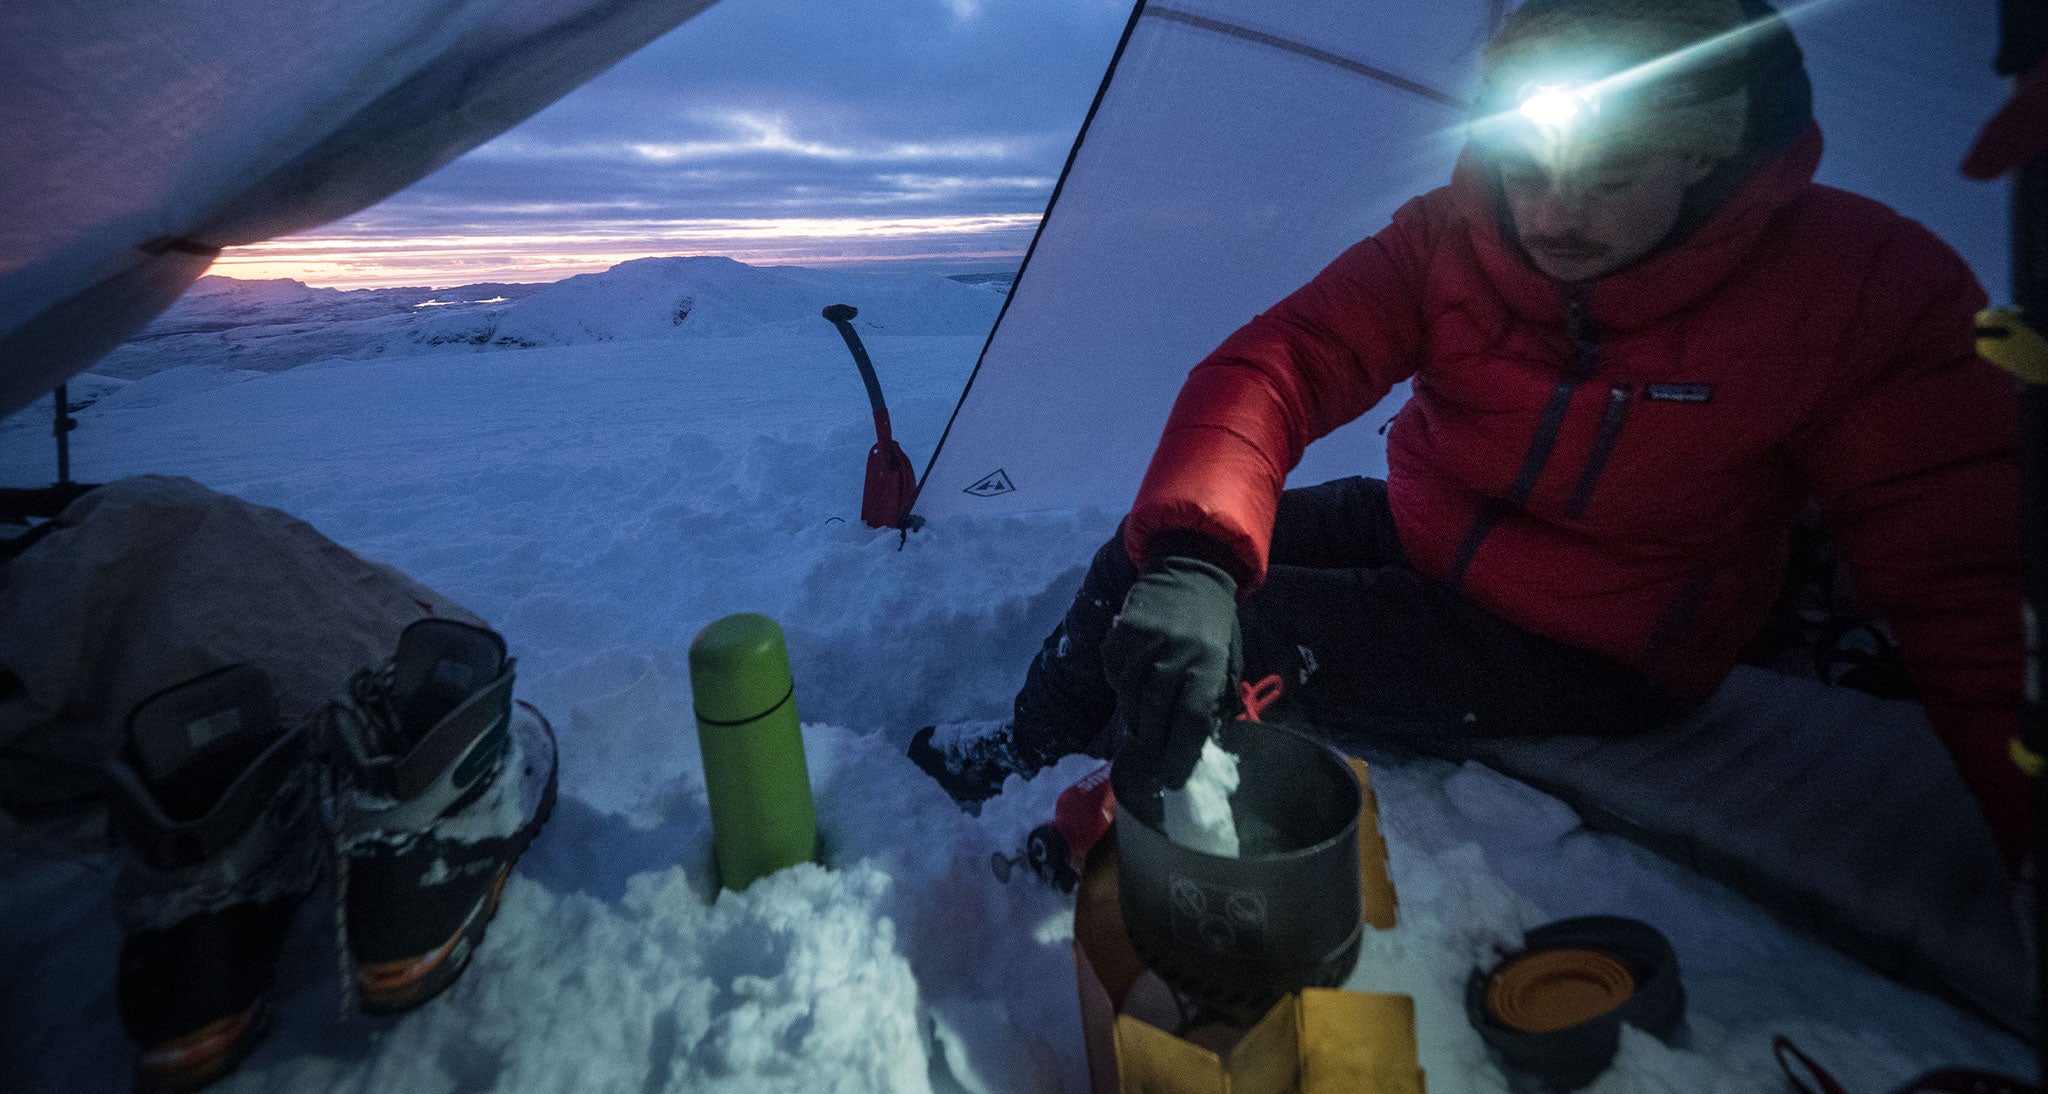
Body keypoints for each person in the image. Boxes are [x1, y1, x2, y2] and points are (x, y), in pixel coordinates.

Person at [909, 0, 2027, 870]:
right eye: (1527, 172)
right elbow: (1279, 362)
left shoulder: (1857, 288)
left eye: (1606, 180)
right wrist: (1198, 554)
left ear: (1703, 152)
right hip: (1426, 528)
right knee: (1158, 561)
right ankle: (1030, 743)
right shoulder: (1455, 241)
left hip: (1595, 639)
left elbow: (1964, 579)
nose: (1549, 216)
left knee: (1251, 640)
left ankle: (1115, 834)